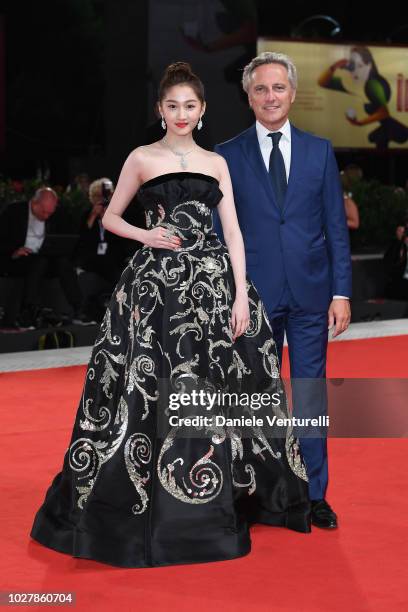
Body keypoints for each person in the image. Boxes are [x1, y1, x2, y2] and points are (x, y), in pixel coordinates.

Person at [30, 62, 311, 569]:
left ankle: (211, 493)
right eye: (172, 105)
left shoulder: (215, 163)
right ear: (161, 110)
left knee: (217, 389)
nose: (181, 114)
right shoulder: (141, 158)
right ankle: (148, 499)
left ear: (202, 111)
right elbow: (112, 217)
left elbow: (235, 233)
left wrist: (241, 298)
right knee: (150, 388)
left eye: (190, 106)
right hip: (156, 289)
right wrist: (147, 235)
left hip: (213, 286)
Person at [214, 52, 352, 529]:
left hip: (314, 294)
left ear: (293, 94)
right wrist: (226, 294)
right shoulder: (227, 155)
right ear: (248, 96)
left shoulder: (320, 150)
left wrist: (342, 292)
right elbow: (219, 231)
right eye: (260, 89)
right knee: (254, 396)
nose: (270, 97)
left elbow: (336, 227)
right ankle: (258, 492)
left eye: (278, 88)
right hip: (252, 297)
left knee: (310, 395)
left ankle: (315, 495)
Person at [0, 187, 93, 328]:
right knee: (39, 262)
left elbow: (65, 238)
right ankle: (28, 310)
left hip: (47, 258)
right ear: (34, 203)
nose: (47, 216)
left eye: (50, 212)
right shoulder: (14, 212)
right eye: (44, 212)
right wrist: (14, 251)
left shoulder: (56, 214)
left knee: (63, 262)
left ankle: (78, 308)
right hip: (20, 259)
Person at [318, 46, 408, 149]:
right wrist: (334, 66)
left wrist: (360, 123)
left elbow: (383, 112)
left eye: (360, 66)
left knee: (376, 137)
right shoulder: (350, 82)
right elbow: (322, 82)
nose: (355, 71)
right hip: (388, 127)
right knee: (374, 137)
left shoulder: (373, 84)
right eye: (353, 66)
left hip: (395, 130)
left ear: (369, 66)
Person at [383, 225, 408, 300]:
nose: (400, 233)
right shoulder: (396, 245)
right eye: (399, 231)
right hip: (399, 285)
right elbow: (388, 261)